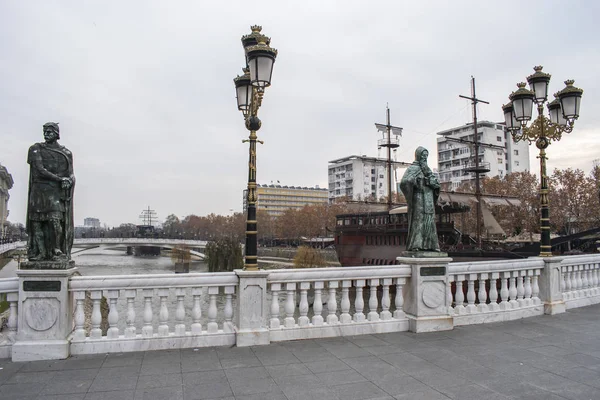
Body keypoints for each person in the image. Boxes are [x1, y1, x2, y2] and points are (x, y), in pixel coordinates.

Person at [26, 122, 75, 261]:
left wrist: (69, 181)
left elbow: (71, 173)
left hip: (55, 193)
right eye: (45, 132)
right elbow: (39, 170)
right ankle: (41, 252)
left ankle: (56, 250)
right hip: (39, 191)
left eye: (49, 131)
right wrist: (61, 179)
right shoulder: (35, 149)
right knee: (37, 223)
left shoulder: (66, 153)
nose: (46, 134)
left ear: (57, 133)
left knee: (55, 222)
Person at [400, 146, 441, 252]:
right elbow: (404, 182)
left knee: (430, 222)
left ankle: (432, 245)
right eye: (423, 155)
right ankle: (416, 245)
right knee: (418, 221)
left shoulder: (427, 170)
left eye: (426, 155)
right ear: (418, 155)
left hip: (428, 198)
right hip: (418, 198)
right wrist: (412, 181)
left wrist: (432, 183)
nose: (425, 157)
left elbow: (436, 184)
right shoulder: (412, 169)